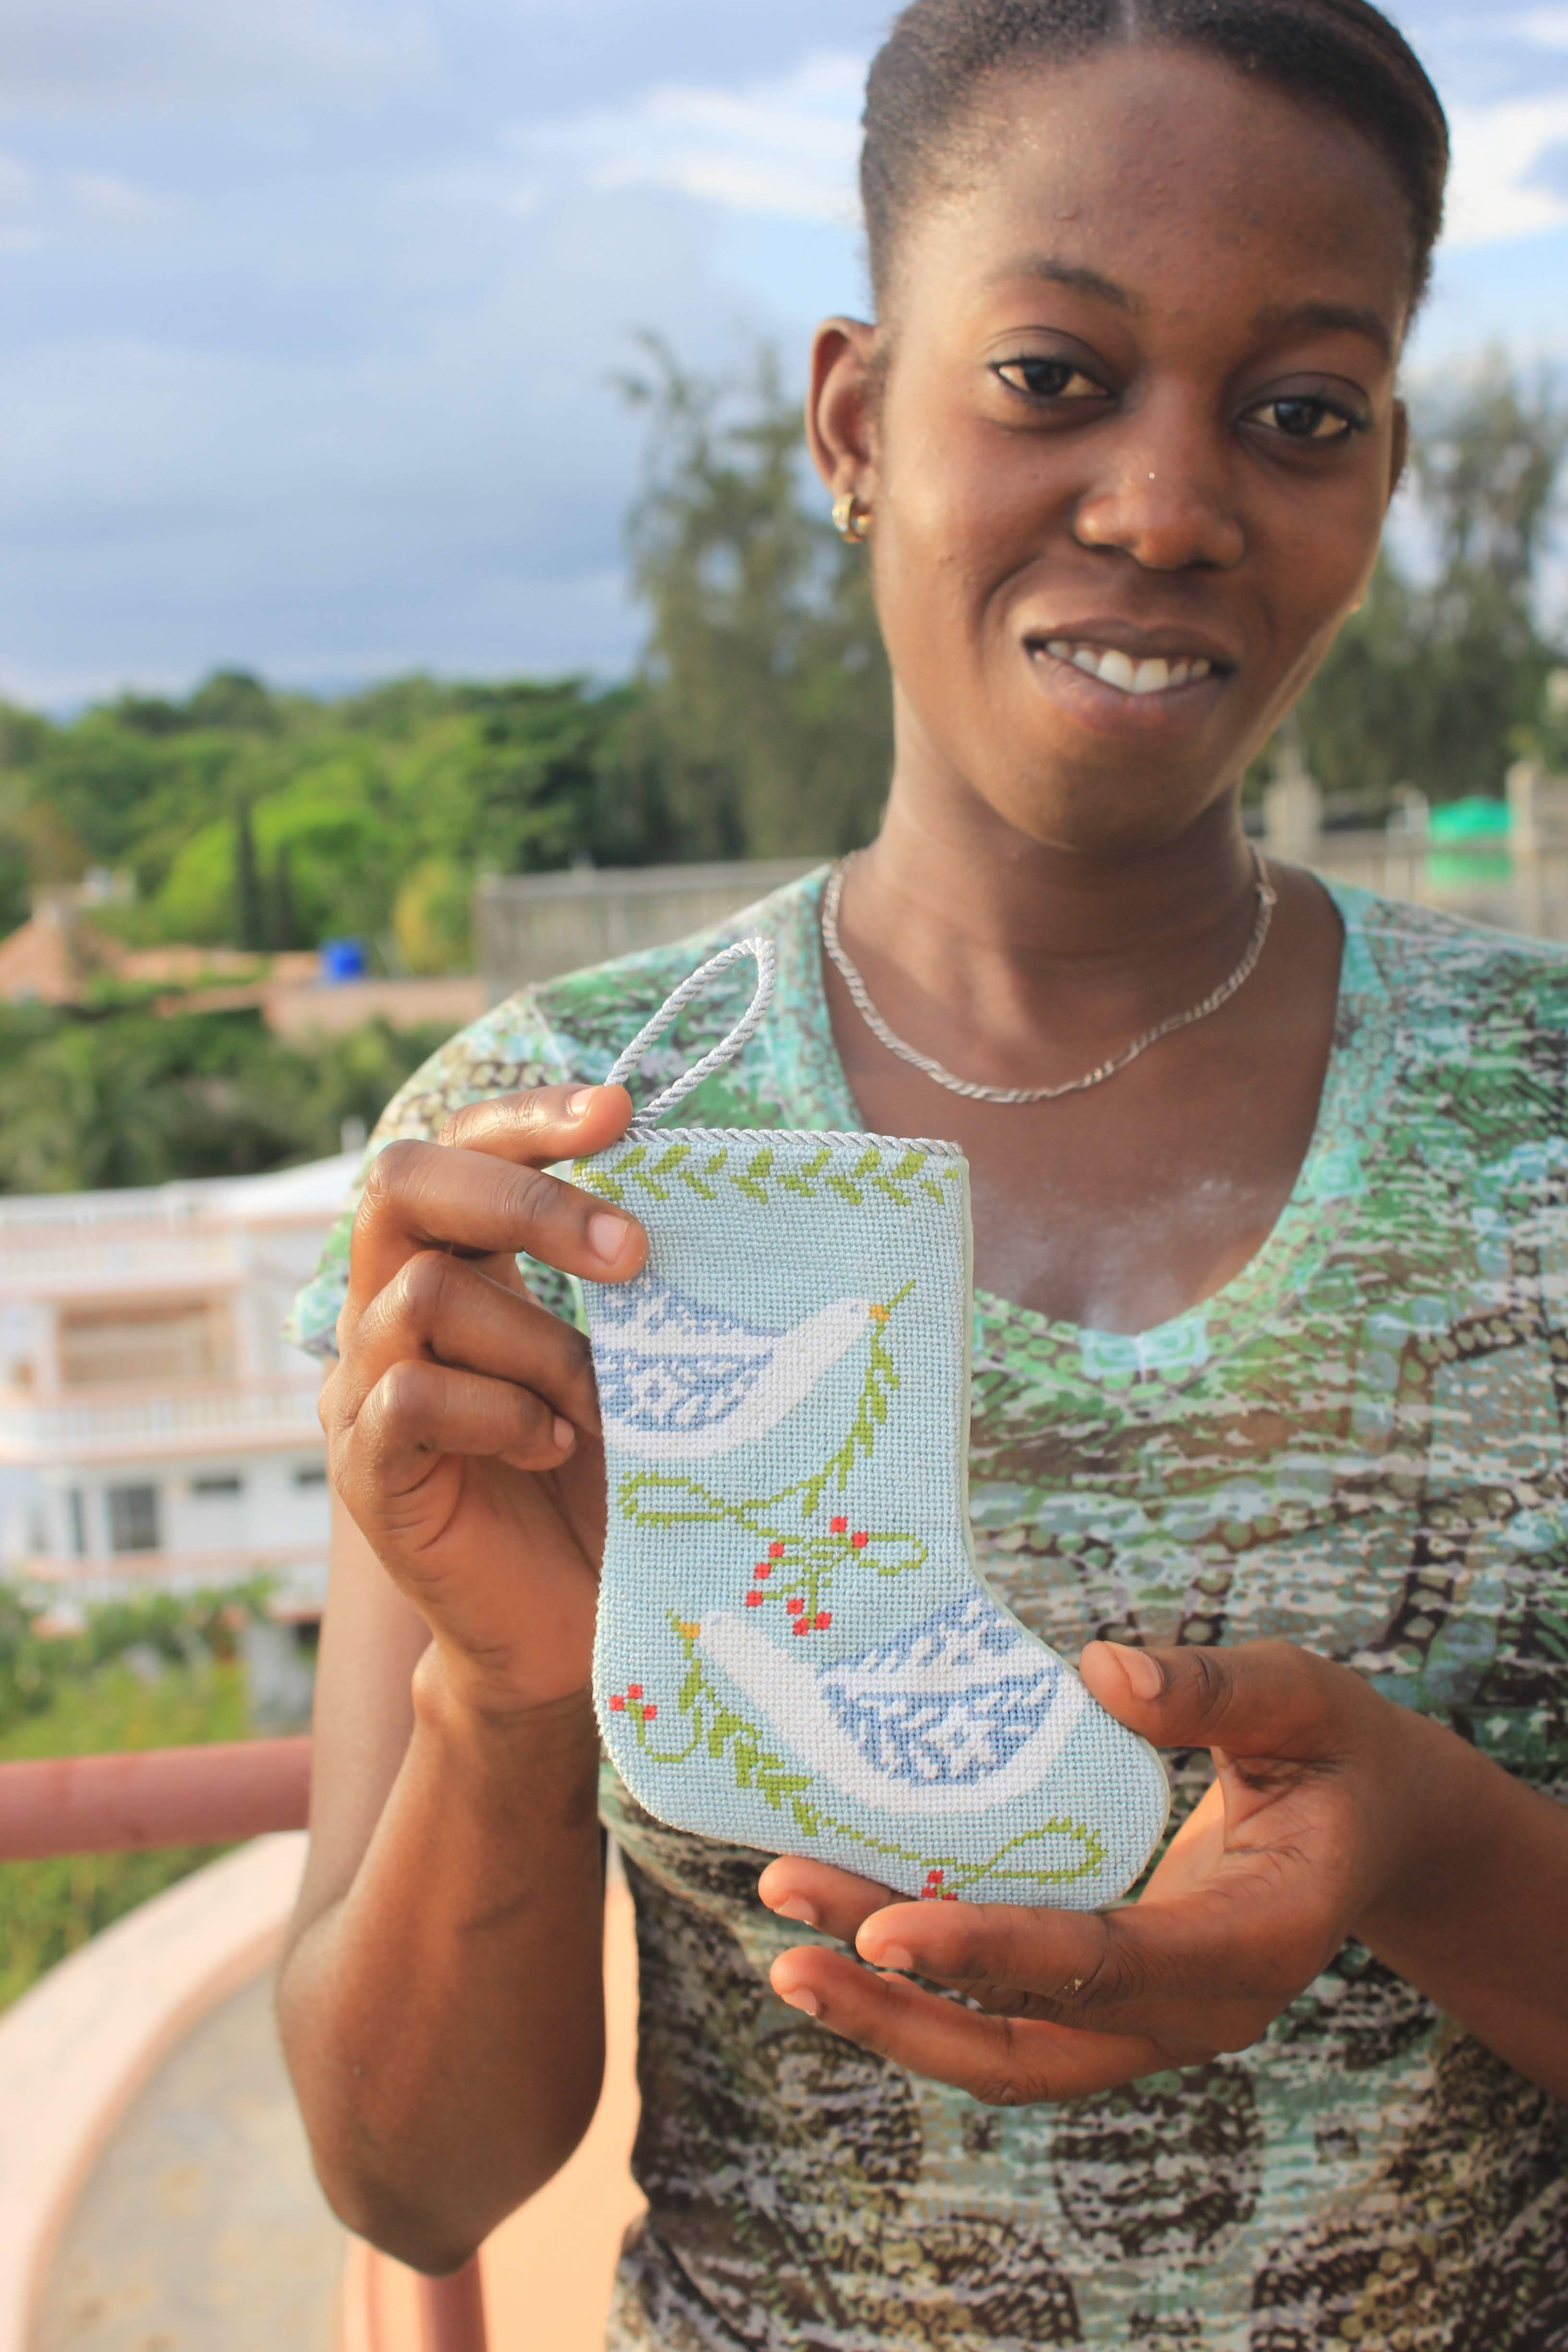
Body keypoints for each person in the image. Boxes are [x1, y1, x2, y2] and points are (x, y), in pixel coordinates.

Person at [277, 2, 1568, 2343]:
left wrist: (1417, 1829)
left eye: (1295, 413)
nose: (1167, 504)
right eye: (1055, 377)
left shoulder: (1552, 1122)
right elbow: (407, 2163)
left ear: (1377, 482)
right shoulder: (560, 1147)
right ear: (857, 419)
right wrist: (507, 1691)